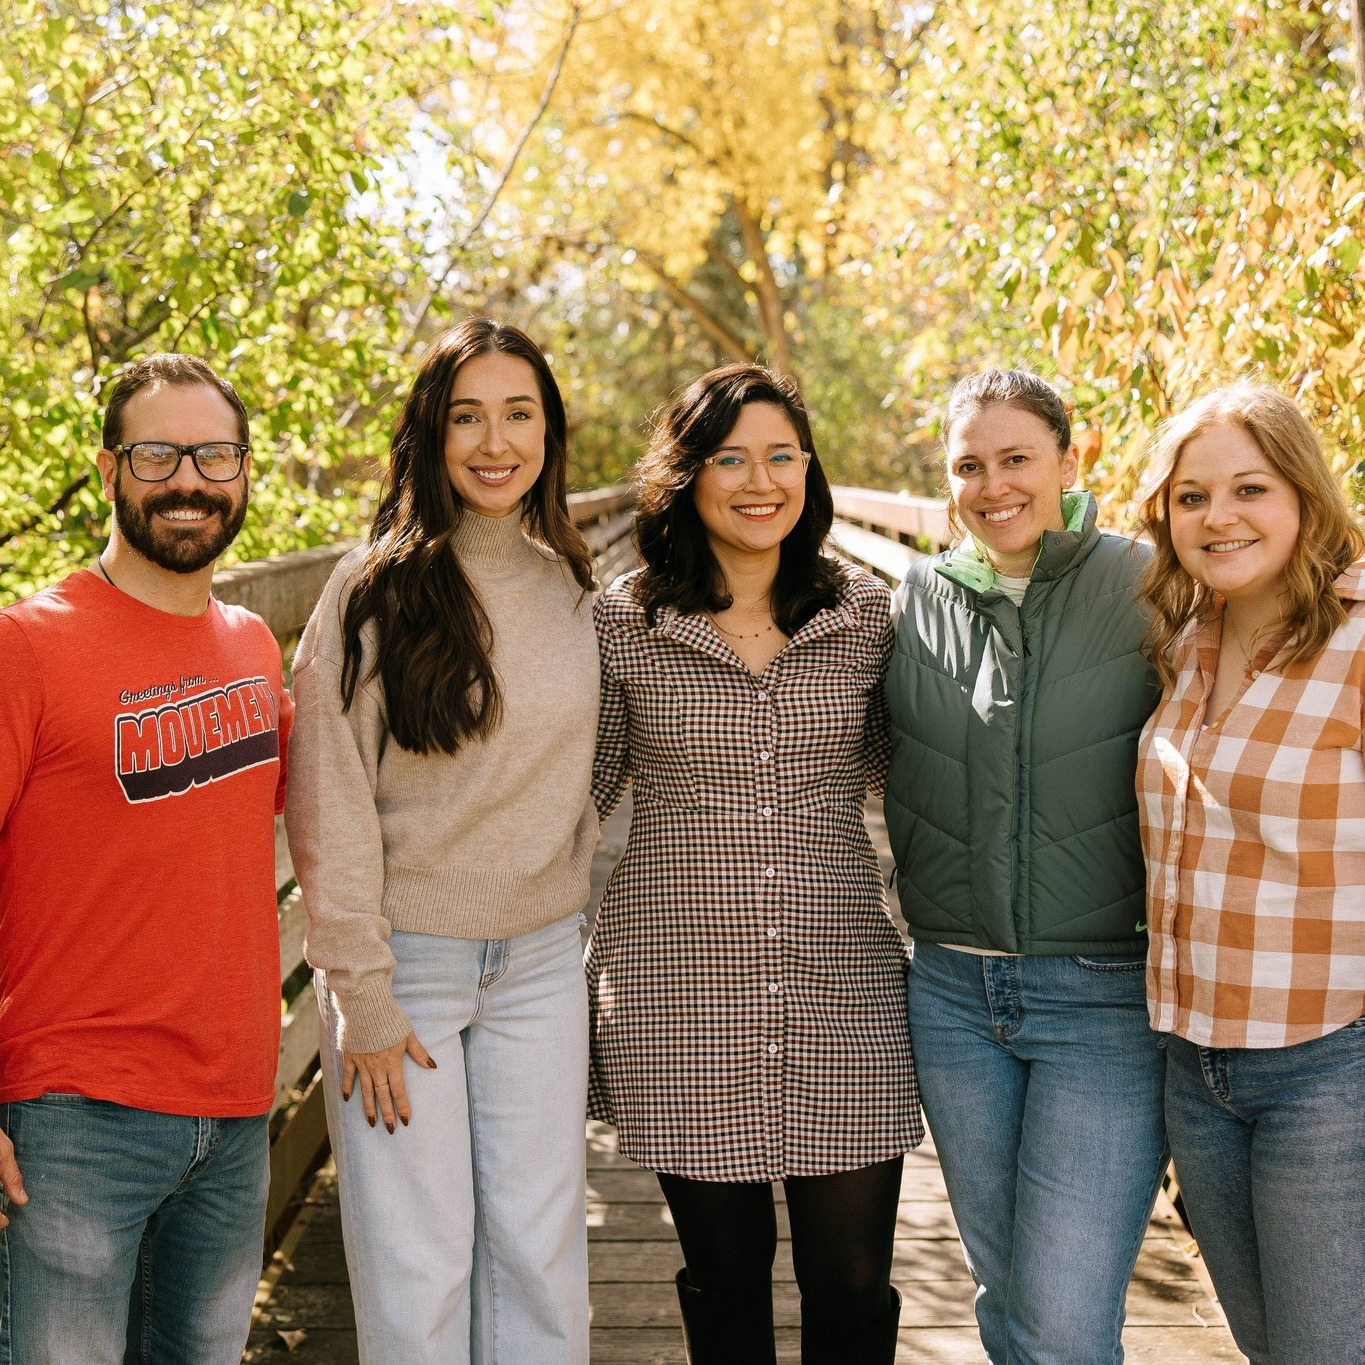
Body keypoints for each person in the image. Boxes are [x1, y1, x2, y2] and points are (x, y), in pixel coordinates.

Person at [588, 363, 918, 1365]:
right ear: (686, 477)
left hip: (845, 987)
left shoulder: (866, 617)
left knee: (852, 1285)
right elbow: (575, 793)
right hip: (675, 992)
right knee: (724, 1280)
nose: (758, 480)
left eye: (781, 456)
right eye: (729, 458)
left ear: (810, 473)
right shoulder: (623, 622)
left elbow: (924, 774)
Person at [284, 318, 599, 1363]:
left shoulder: (574, 587)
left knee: (538, 1255)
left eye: (520, 414)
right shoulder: (370, 590)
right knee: (420, 1266)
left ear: (550, 432)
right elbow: (325, 797)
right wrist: (359, 993)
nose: (495, 441)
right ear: (430, 433)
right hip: (405, 971)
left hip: (546, 961)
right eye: (467, 416)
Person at [0, 354, 292, 1364]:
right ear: (110, 466)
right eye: (158, 453)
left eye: (215, 455)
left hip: (237, 1110)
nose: (189, 481)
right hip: (76, 1119)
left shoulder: (255, 644)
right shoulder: (29, 644)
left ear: (246, 472)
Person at [884, 369, 1166, 1364]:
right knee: (1011, 1298)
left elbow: (1284, 615)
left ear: (1068, 461)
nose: (993, 485)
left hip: (1101, 998)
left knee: (1063, 1316)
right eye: (969, 465)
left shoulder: (1148, 584)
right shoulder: (912, 598)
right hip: (953, 997)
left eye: (1017, 459)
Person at [1134, 385, 1365, 1364]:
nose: (1218, 517)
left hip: (1329, 1066)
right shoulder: (1188, 643)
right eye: (1192, 497)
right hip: (1196, 1066)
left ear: (1305, 497)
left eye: (1249, 489)